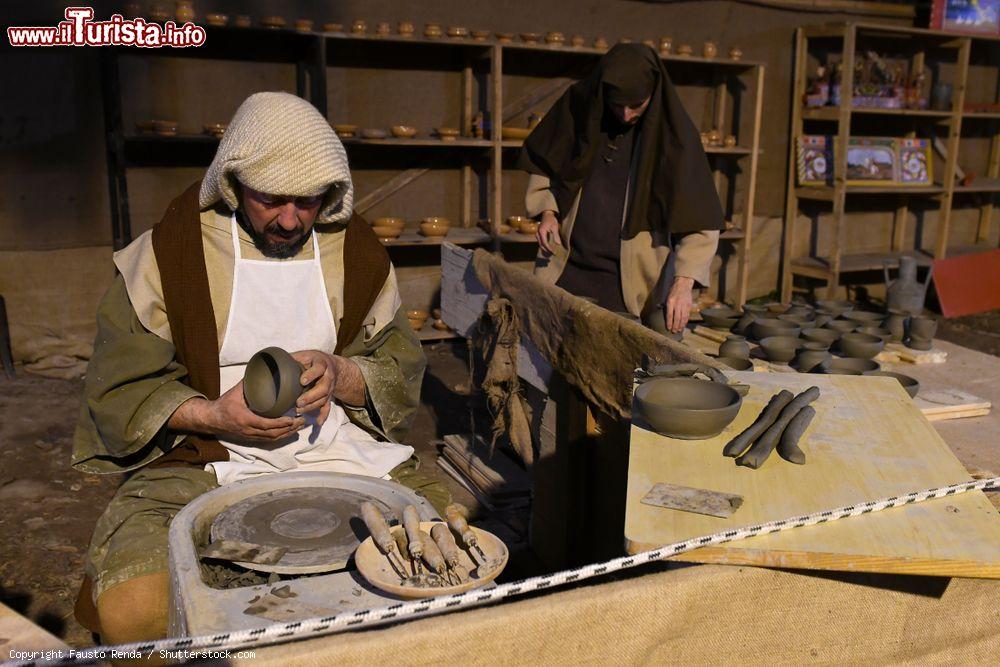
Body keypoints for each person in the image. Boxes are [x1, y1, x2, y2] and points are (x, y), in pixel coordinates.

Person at [71, 92, 448, 643]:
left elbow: (396, 358)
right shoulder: (170, 253)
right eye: (271, 199)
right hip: (204, 455)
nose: (291, 219)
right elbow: (120, 384)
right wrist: (210, 415)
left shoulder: (357, 251)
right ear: (233, 181)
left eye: (309, 202)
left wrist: (343, 374)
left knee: (449, 559)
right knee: (138, 609)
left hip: (335, 445)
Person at [519, 43, 725, 334]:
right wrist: (548, 211)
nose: (626, 115)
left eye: (636, 105)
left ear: (653, 92)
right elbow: (546, 161)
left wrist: (684, 282)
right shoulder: (580, 108)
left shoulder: (675, 138)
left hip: (629, 286)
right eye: (617, 104)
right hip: (564, 269)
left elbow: (700, 220)